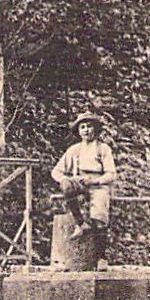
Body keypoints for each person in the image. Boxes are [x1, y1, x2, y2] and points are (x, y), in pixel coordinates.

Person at [51, 110, 117, 270]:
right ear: (78, 131)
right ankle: (80, 224)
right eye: (83, 127)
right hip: (79, 181)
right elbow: (56, 171)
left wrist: (97, 181)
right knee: (66, 186)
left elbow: (111, 174)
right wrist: (65, 179)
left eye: (90, 127)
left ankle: (101, 258)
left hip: (97, 183)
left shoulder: (103, 149)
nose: (86, 130)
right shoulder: (74, 150)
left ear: (96, 129)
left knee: (99, 214)